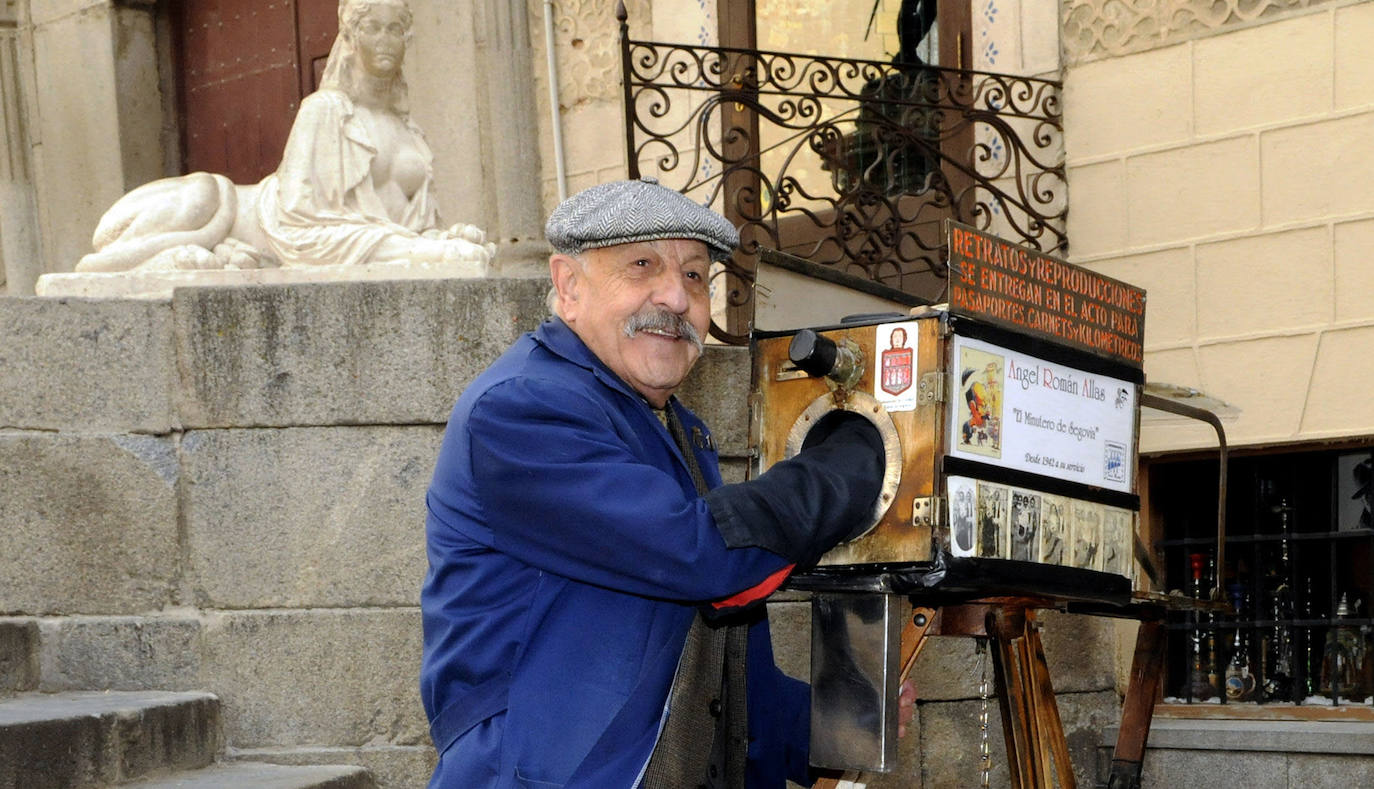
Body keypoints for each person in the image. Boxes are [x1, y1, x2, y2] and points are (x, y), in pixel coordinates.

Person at [421, 178, 905, 788]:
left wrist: (836, 723)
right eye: (642, 265)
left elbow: (721, 657)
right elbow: (700, 555)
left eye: (697, 276)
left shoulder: (675, 427)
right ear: (569, 286)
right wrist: (870, 451)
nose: (676, 297)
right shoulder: (521, 409)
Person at [76, 0, 492, 273]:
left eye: (394, 29)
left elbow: (392, 228)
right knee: (205, 192)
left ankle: (191, 256)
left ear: (408, 39)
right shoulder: (325, 111)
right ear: (349, 38)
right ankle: (152, 257)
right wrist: (426, 252)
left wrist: (439, 240)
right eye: (372, 28)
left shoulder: (410, 132)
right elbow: (301, 228)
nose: (385, 40)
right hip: (256, 220)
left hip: (346, 241)